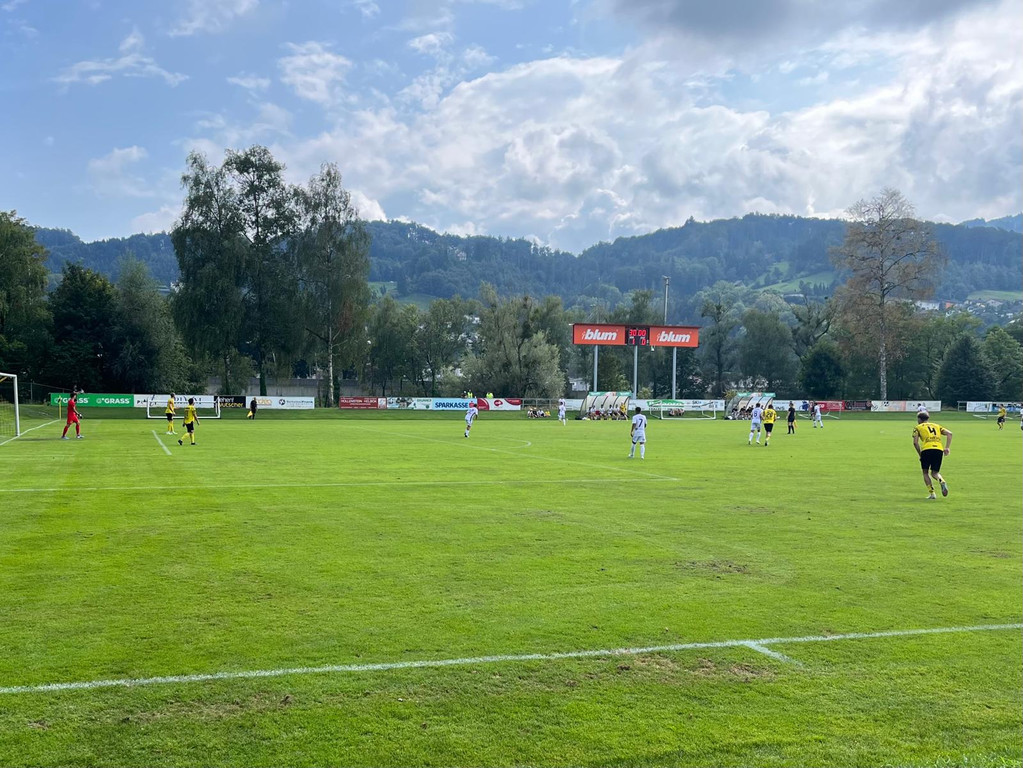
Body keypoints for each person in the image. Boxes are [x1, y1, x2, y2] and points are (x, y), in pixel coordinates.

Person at [913, 411, 952, 499]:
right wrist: (947, 447)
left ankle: (932, 493)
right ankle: (941, 480)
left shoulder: (918, 427)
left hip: (926, 449)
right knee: (935, 473)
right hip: (938, 449)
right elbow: (949, 434)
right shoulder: (937, 426)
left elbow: (915, 443)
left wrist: (920, 454)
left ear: (919, 419)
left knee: (925, 472)